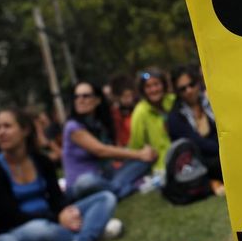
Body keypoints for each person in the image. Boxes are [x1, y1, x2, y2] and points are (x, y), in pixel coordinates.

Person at [0, 108, 123, 241]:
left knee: (105, 198)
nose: (1, 132)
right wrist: (57, 218)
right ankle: (91, 234)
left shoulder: (41, 161)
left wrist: (65, 213)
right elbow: (9, 217)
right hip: (24, 229)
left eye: (7, 126)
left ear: (25, 130)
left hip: (55, 221)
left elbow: (57, 199)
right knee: (40, 231)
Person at [62, 82, 156, 200]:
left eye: (85, 96)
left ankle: (116, 188)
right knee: (86, 181)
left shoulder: (99, 124)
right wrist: (139, 154)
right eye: (77, 97)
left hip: (106, 177)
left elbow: (115, 153)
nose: (80, 100)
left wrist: (143, 154)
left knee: (143, 161)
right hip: (82, 184)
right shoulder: (72, 127)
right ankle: (127, 188)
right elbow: (101, 150)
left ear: (97, 100)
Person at [167, 65, 224, 195]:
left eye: (191, 85)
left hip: (218, 152)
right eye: (183, 89)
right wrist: (226, 150)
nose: (189, 90)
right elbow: (196, 143)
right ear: (177, 92)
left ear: (198, 83)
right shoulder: (176, 116)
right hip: (199, 160)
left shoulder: (209, 101)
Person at [128, 69, 175, 175]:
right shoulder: (140, 112)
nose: (153, 89)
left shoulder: (173, 101)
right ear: (143, 90)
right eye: (148, 86)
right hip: (160, 166)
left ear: (163, 85)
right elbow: (136, 146)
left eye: (156, 84)